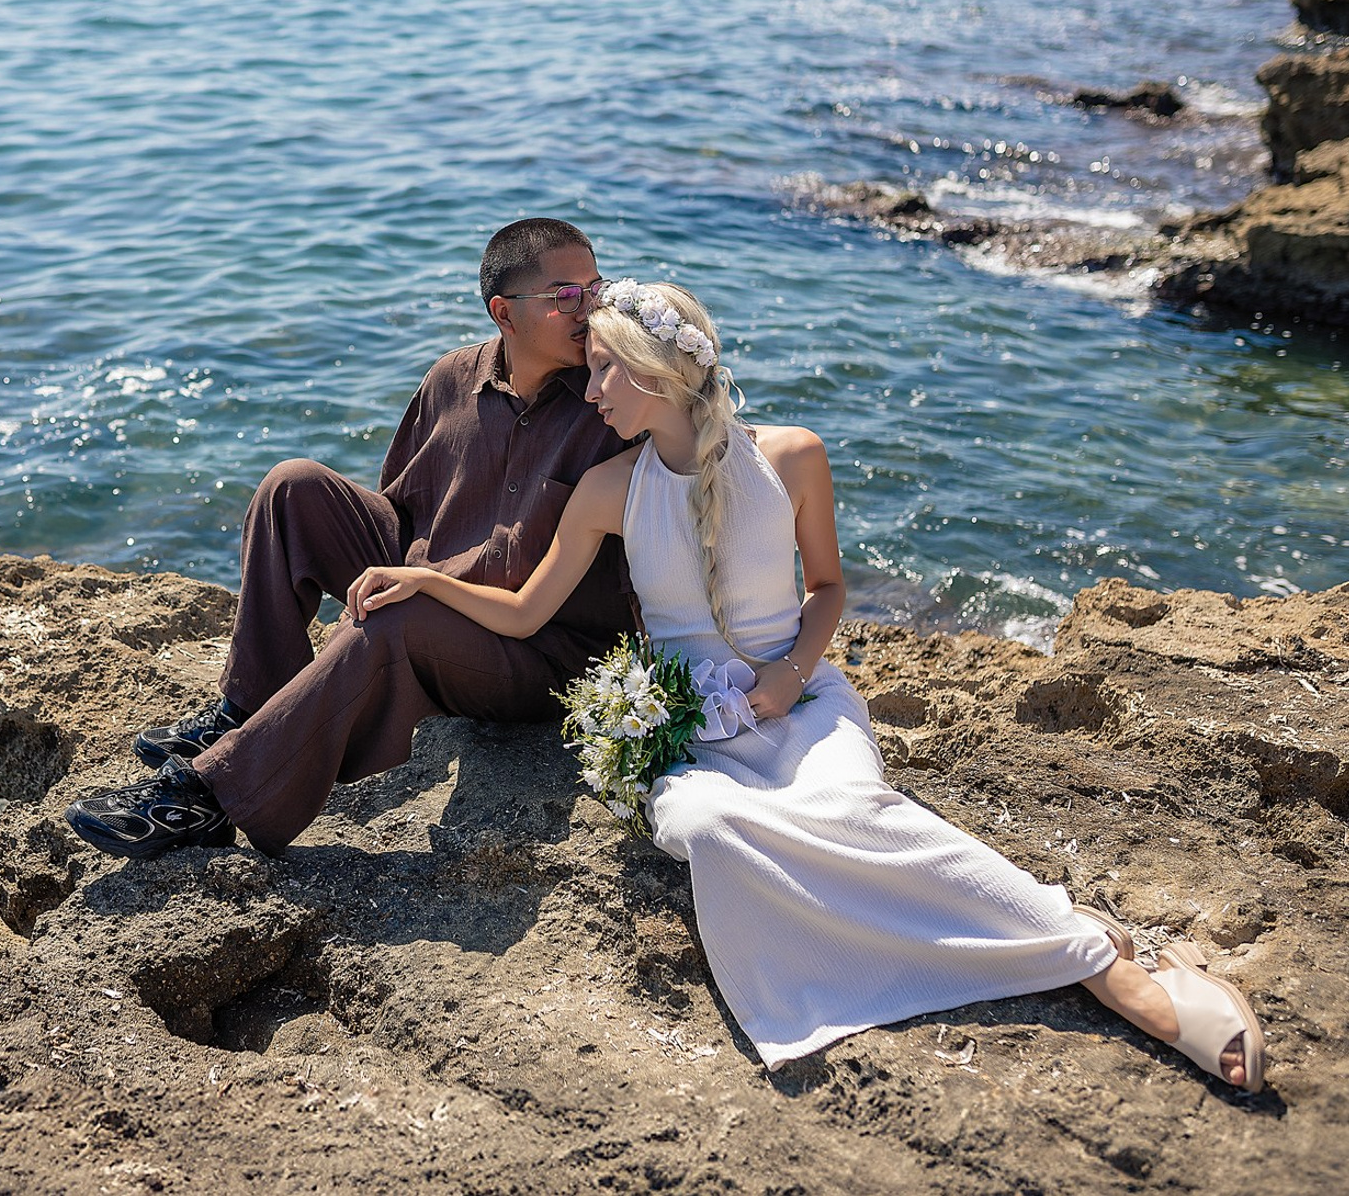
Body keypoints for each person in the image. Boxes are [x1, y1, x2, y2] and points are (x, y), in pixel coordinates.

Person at [338, 278, 1268, 1091]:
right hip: (688, 733)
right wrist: (425, 582)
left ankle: (1101, 962)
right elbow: (523, 612)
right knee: (710, 830)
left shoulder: (790, 457)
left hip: (805, 705)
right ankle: (987, 945)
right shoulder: (607, 491)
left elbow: (828, 590)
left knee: (854, 808)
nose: (591, 391)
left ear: (657, 375)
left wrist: (786, 680)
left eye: (607, 371)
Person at [65, 218, 639, 860]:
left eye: (597, 289)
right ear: (504, 312)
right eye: (567, 296)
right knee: (292, 486)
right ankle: (248, 709)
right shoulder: (453, 377)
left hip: (537, 649)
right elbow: (401, 505)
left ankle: (214, 796)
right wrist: (401, 572)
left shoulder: (611, 398)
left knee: (395, 620)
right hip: (438, 580)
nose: (590, 311)